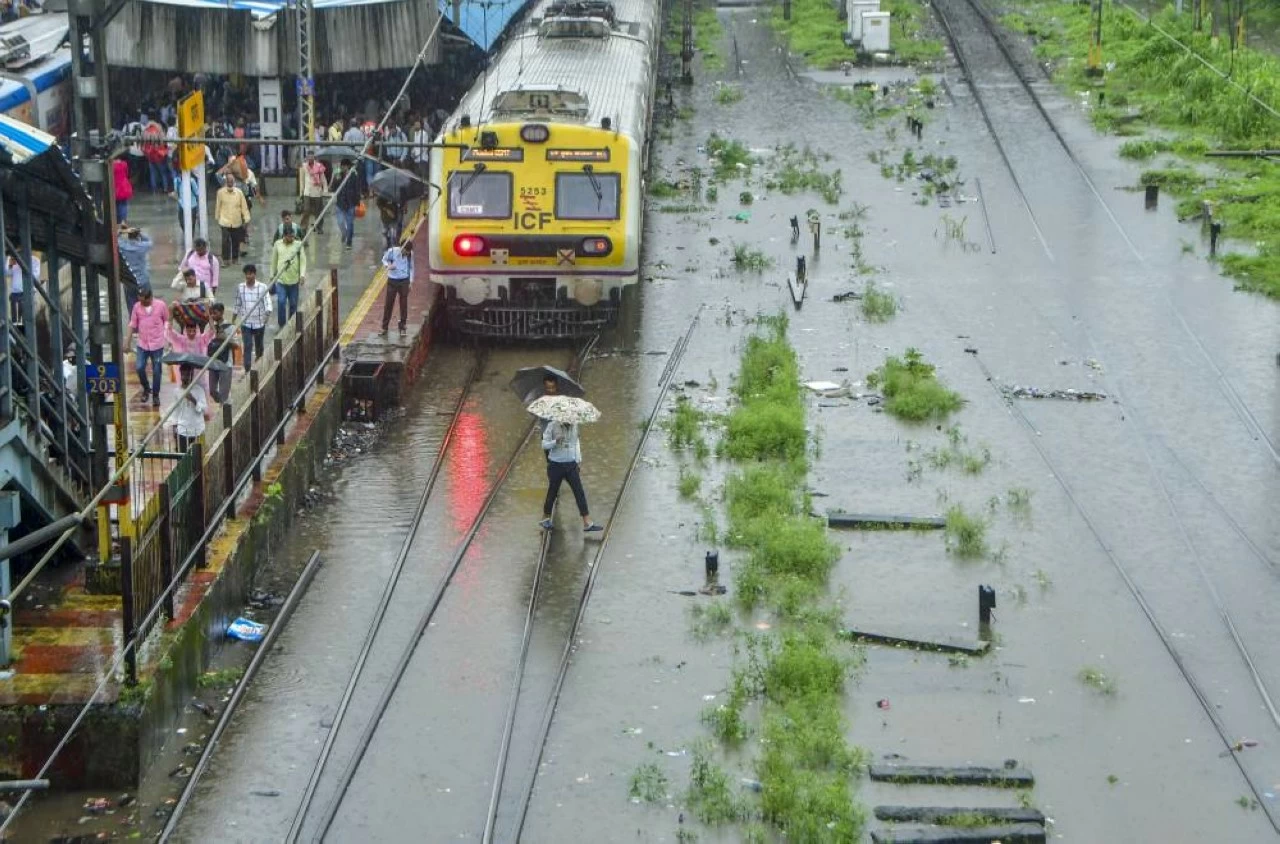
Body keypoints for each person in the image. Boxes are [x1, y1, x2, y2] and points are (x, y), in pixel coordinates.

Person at [540, 419, 602, 532]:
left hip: (571, 464)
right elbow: (544, 445)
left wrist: (578, 460)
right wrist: (555, 442)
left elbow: (576, 442)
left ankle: (587, 522)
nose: (569, 421)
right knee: (552, 492)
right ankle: (545, 518)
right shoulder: (552, 425)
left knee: (579, 492)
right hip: (555, 464)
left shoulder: (575, 425)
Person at [125, 287, 167, 408]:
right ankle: (146, 388)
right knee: (139, 367)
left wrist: (167, 338)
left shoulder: (161, 305)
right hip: (142, 344)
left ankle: (155, 395)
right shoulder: (137, 307)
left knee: (157, 371)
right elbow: (132, 324)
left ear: (150, 298)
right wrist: (127, 342)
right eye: (140, 300)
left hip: (157, 344)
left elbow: (166, 321)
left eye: (144, 301)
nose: (141, 303)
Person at [235, 264, 269, 371]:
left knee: (259, 346)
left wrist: (267, 314)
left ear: (255, 274)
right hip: (246, 323)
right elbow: (237, 303)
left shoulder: (262, 287)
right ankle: (248, 369)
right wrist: (233, 319)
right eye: (247, 274)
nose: (249, 276)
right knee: (248, 346)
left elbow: (267, 302)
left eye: (251, 274)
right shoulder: (241, 287)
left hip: (259, 322)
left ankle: (259, 362)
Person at [269, 227, 307, 326]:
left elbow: (303, 260)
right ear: (284, 236)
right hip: (281, 280)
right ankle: (282, 325)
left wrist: (302, 275)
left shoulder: (298, 245)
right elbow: (273, 261)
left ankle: (292, 324)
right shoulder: (277, 244)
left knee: (293, 304)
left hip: (294, 281)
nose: (292, 238)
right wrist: (271, 275)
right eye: (290, 237)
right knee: (281, 302)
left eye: (293, 236)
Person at [168, 364, 207, 453]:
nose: (185, 377)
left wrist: (194, 400)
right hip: (183, 431)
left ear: (191, 375)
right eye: (183, 375)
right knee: (182, 458)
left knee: (198, 459)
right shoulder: (176, 392)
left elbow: (204, 409)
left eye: (187, 375)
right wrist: (174, 427)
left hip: (197, 430)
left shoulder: (199, 390)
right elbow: (175, 412)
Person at [378, 239, 412, 336]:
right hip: (392, 280)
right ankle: (384, 327)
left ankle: (402, 326)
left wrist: (411, 281)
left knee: (403, 304)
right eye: (406, 252)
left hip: (404, 280)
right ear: (402, 248)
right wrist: (388, 265)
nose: (407, 254)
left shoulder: (410, 254)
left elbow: (412, 267)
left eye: (408, 252)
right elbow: (384, 259)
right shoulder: (392, 251)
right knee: (389, 303)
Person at [215, 175, 251, 264]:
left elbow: (244, 206)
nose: (230, 182)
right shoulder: (220, 192)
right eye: (228, 181)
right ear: (226, 181)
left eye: (231, 181)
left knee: (236, 241)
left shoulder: (239, 193)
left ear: (234, 181)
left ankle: (235, 259)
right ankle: (226, 259)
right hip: (224, 221)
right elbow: (218, 206)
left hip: (236, 221)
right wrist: (217, 218)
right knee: (225, 241)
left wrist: (246, 219)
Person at [207, 302, 238, 401]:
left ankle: (224, 409)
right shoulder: (211, 327)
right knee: (212, 390)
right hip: (213, 362)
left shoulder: (230, 327)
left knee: (224, 393)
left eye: (215, 313)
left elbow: (236, 345)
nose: (213, 315)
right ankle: (222, 402)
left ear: (222, 312)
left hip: (226, 363)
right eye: (211, 313)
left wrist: (226, 339)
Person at [118, 226, 153, 313]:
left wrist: (123, 231)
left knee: (132, 310)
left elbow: (114, 237)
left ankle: (134, 325)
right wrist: (140, 232)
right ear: (138, 237)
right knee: (147, 307)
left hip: (129, 281)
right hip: (143, 281)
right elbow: (149, 241)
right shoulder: (143, 246)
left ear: (128, 236)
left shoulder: (123, 246)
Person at [331, 159, 361, 250]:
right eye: (341, 166)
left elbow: (357, 190)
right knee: (340, 222)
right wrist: (336, 179)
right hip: (340, 203)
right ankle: (344, 233)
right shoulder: (338, 175)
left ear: (348, 166)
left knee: (350, 223)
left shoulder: (354, 176)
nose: (342, 168)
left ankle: (349, 242)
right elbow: (333, 188)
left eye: (343, 166)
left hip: (350, 203)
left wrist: (357, 203)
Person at [7, 250, 38, 324]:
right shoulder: (14, 263)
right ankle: (16, 324)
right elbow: (6, 272)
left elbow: (35, 274)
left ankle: (25, 325)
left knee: (25, 312)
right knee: (15, 313)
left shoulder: (34, 260)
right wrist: (8, 260)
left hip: (26, 291)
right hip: (16, 292)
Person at [299, 153, 327, 234]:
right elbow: (302, 180)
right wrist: (301, 192)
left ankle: (319, 227)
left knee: (319, 211)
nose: (310, 158)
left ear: (314, 157)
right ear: (307, 157)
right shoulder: (304, 166)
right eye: (308, 157)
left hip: (317, 192)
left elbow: (323, 178)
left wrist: (325, 189)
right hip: (307, 192)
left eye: (311, 157)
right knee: (306, 210)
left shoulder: (319, 166)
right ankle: (303, 228)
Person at [112, 157, 133, 223]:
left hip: (115, 186)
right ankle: (123, 220)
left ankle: (118, 220)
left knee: (117, 204)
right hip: (124, 186)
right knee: (123, 204)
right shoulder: (124, 164)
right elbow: (127, 173)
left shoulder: (111, 166)